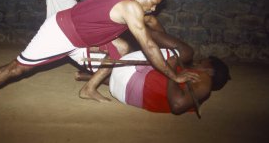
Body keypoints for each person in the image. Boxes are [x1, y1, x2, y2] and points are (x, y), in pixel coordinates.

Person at [0, 0, 199, 112]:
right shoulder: (130, 6)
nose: (155, 7)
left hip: (82, 39)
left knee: (122, 48)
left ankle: (88, 89)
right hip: (60, 32)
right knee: (17, 68)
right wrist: (173, 75)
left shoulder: (132, 3)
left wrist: (169, 50)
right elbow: (148, 45)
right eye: (154, 2)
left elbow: (155, 27)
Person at [75, 31, 231, 115]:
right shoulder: (195, 85)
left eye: (204, 61)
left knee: (185, 52)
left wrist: (172, 74)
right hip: (124, 92)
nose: (200, 61)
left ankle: (143, 29)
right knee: (167, 60)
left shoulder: (205, 80)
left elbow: (177, 105)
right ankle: (92, 78)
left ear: (210, 70)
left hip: (131, 80)